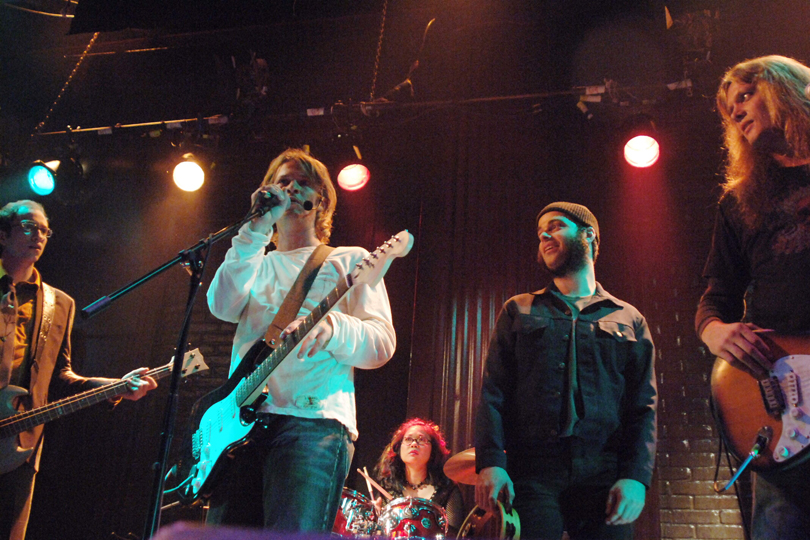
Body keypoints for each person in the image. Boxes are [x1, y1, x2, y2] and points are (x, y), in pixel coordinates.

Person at [205, 148, 396, 532]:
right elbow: (221, 306)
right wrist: (254, 231)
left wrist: (333, 329)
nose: (291, 188)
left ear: (321, 199)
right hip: (239, 427)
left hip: (313, 426)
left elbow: (381, 343)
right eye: (283, 182)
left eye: (303, 182)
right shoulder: (254, 261)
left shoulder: (350, 260)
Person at [474, 202, 657, 540]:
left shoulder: (628, 318)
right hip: (532, 471)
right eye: (540, 231)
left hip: (604, 473)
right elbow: (493, 393)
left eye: (556, 226)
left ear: (588, 235)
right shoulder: (518, 309)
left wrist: (636, 476)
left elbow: (642, 406)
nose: (544, 235)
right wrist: (491, 462)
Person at [696, 55, 810, 540]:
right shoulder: (740, 201)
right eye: (730, 107)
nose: (737, 110)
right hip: (783, 407)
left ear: (787, 88)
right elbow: (716, 297)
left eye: (746, 94)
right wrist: (715, 333)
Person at [0, 200, 157, 540]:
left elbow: (61, 378)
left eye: (44, 230)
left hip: (18, 447)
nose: (38, 236)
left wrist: (115, 386)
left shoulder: (59, 304)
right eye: (28, 227)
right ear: (3, 234)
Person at [373, 418, 465, 536]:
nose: (414, 444)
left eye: (421, 439)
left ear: (433, 450)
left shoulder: (447, 489)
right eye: (408, 439)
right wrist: (375, 519)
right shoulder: (387, 486)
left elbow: (456, 535)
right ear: (399, 448)